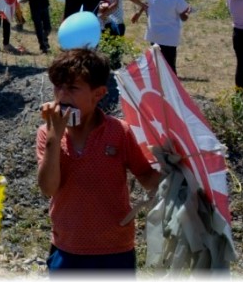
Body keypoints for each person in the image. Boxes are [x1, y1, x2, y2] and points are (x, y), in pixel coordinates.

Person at [36, 49, 161, 273]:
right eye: (58, 87)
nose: (62, 95)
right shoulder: (47, 134)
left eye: (72, 88)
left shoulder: (119, 132)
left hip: (115, 249)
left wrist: (174, 166)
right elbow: (48, 188)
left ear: (99, 94)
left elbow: (147, 177)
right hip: (68, 246)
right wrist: (54, 137)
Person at [129, 0, 191, 73]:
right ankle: (170, 83)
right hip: (169, 38)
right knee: (170, 66)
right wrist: (188, 11)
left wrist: (144, 6)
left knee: (157, 64)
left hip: (154, 35)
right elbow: (183, 17)